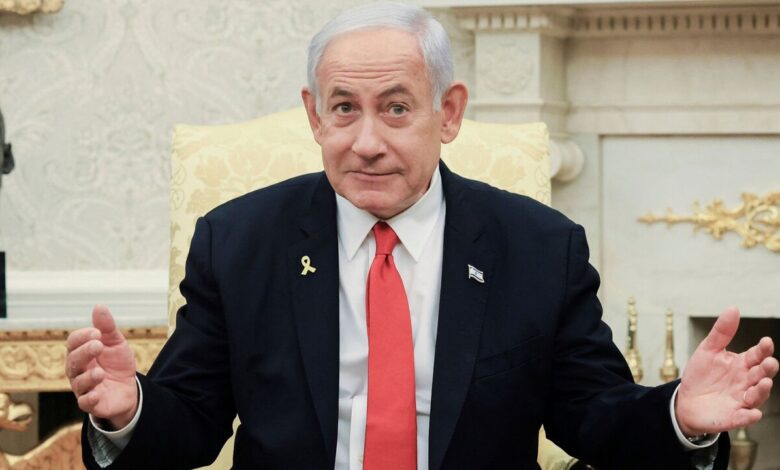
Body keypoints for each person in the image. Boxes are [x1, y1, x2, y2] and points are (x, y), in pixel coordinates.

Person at [66, 3, 778, 470]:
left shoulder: (537, 247)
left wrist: (680, 417)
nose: (367, 142)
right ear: (314, 116)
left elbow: (594, 417)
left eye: (397, 108)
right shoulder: (239, 242)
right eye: (344, 109)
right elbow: (191, 423)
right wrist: (130, 411)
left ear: (450, 113)